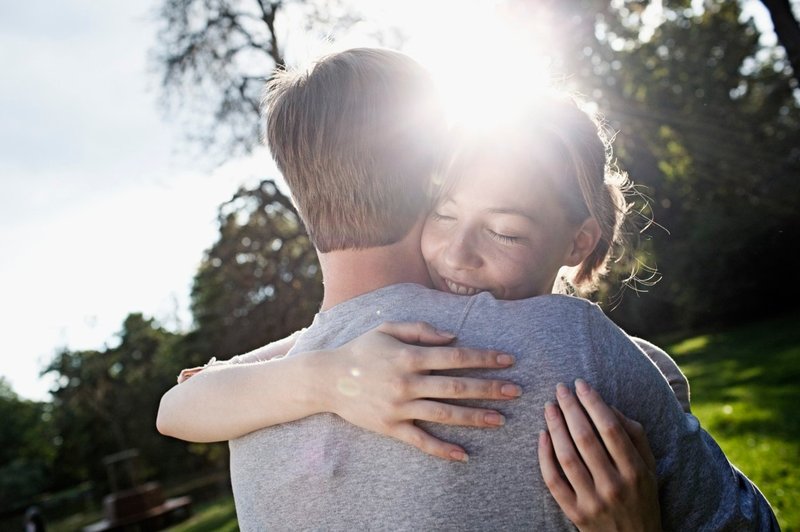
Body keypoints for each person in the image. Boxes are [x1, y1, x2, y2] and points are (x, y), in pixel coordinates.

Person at [158, 47, 777, 530]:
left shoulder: (245, 420)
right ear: (434, 180)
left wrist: (322, 376)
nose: (460, 254)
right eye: (450, 213)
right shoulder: (582, 354)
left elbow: (183, 400)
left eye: (504, 230)